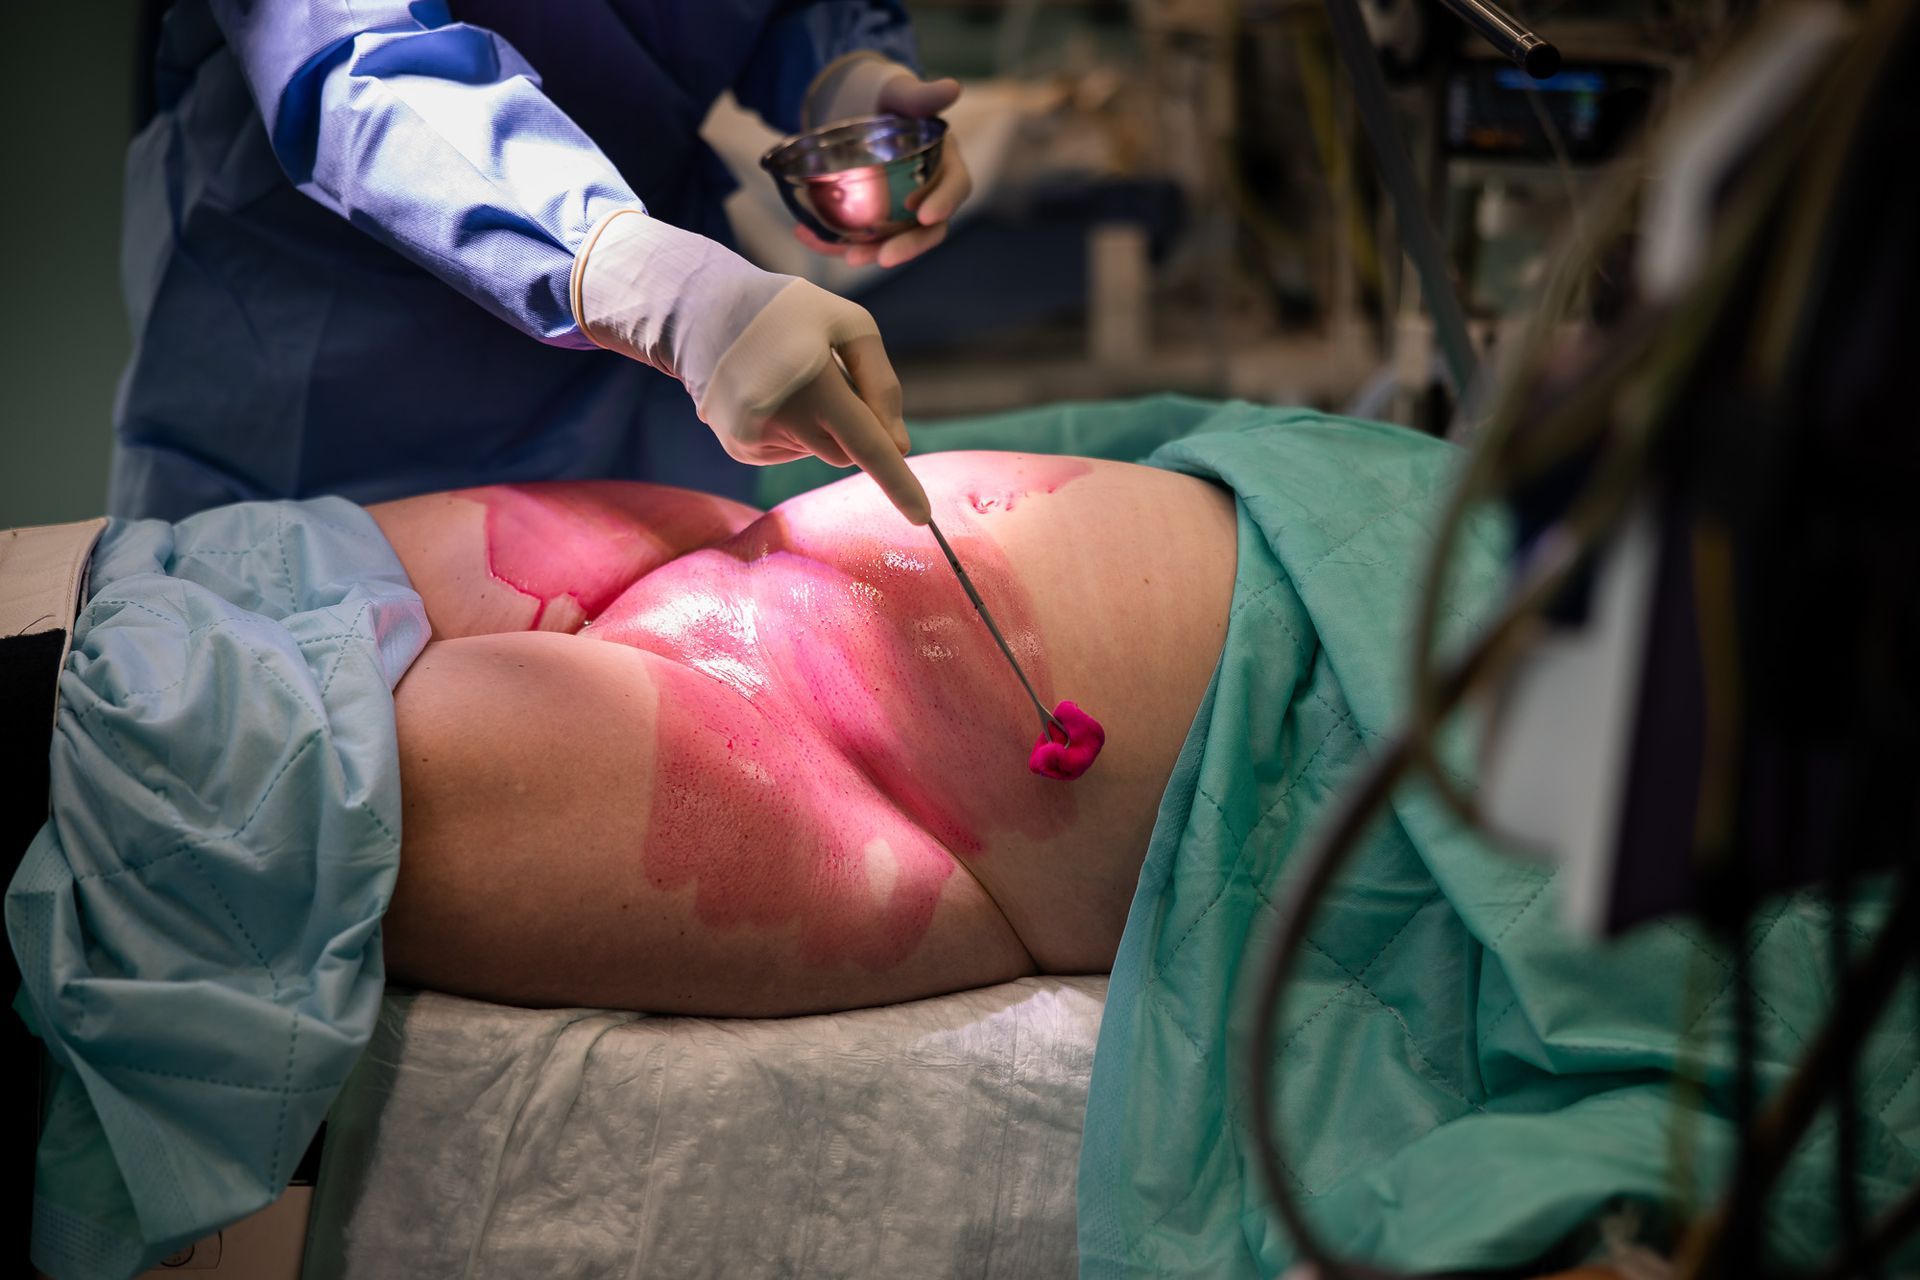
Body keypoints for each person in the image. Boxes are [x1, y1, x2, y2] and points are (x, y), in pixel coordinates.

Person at [11, 416, 1908, 1277]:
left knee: (187, 767)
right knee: (195, 671)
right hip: (765, 547)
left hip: (884, 782)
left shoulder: (1831, 1039)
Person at [110, 0, 973, 525]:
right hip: (331, 362)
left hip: (629, 386)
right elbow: (356, 57)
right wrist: (648, 279)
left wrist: (840, 74)